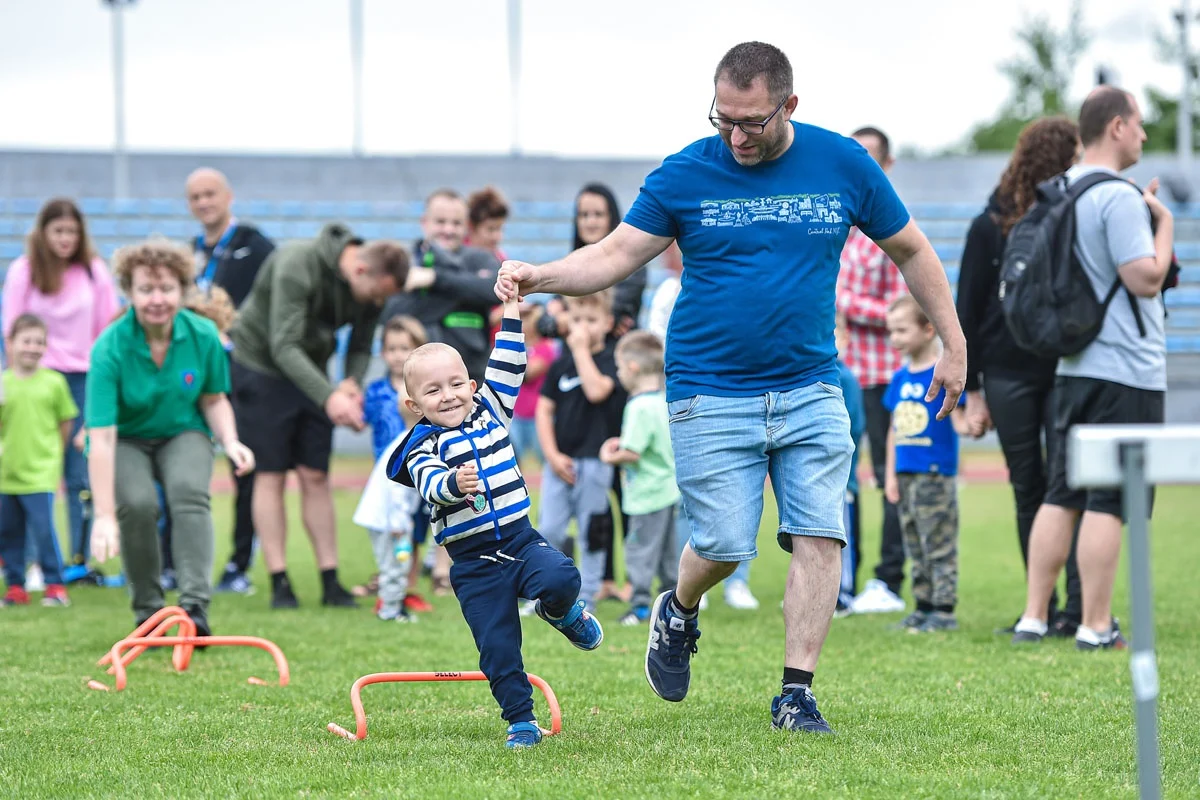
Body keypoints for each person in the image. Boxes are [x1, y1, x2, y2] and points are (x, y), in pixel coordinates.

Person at [495, 41, 965, 733]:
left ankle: (796, 692)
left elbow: (911, 250)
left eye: (753, 122)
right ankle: (678, 611)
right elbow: (616, 253)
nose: (737, 137)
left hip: (810, 383)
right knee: (721, 545)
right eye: (724, 120)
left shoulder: (843, 164)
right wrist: (542, 274)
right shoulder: (687, 171)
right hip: (710, 387)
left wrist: (953, 341)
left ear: (789, 106)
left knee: (820, 533)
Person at [386, 296, 603, 750]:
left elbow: (509, 359)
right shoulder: (424, 444)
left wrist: (511, 310)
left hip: (521, 541)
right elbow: (427, 482)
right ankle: (521, 720)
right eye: (432, 391)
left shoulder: (493, 407)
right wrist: (452, 482)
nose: (447, 396)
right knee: (498, 646)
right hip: (474, 563)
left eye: (455, 384)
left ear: (472, 382)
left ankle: (560, 611)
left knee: (563, 574)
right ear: (413, 403)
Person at [1013, 86, 1172, 650]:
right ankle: (1095, 624)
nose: (1146, 135)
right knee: (1109, 500)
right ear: (1118, 127)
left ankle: (1034, 616)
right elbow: (1144, 277)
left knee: (1062, 491)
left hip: (1073, 366)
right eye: (1140, 123)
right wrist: (1165, 220)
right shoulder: (1121, 197)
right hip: (1124, 369)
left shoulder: (1063, 189)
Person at [228, 223, 409, 610]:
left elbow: (361, 345)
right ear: (361, 270)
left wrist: (351, 386)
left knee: (315, 474)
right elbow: (283, 345)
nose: (379, 303)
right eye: (378, 294)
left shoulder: (370, 289)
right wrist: (330, 398)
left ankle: (330, 581)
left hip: (309, 370)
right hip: (260, 367)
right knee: (271, 474)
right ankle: (280, 582)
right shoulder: (297, 264)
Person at [955, 117, 1085, 635]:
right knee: (1042, 488)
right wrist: (973, 392)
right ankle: (1048, 608)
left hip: (1053, 371)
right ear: (1059, 159)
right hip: (1017, 372)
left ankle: (1073, 608)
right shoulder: (990, 223)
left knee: (1052, 487)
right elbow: (968, 308)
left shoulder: (1076, 217)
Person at [86, 240, 255, 633]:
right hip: (125, 437)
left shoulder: (202, 335)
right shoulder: (109, 347)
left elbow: (214, 399)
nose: (157, 299)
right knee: (139, 504)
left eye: (166, 289)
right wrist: (105, 516)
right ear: (129, 293)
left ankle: (195, 609)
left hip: (183, 431)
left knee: (187, 493)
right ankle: (148, 612)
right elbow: (103, 438)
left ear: (182, 290)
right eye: (146, 289)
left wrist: (230, 441)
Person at [1, 198, 120, 585]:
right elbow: (12, 327)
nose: (66, 239)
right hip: (38, 378)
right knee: (32, 472)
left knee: (80, 473)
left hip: (84, 379)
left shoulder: (93, 271)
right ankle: (28, 562)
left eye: (72, 231)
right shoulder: (25, 270)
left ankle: (77, 560)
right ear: (44, 233)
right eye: (58, 231)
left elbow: (107, 328)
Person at [645, 240, 759, 611]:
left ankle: (737, 581)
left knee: (742, 495)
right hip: (686, 399)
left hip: (734, 395)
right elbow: (656, 344)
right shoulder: (668, 291)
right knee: (690, 498)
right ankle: (693, 583)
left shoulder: (734, 281)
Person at [185, 167, 276, 595]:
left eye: (210, 194)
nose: (204, 202)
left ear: (228, 196)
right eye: (196, 197)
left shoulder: (255, 246)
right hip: (194, 373)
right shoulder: (190, 254)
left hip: (244, 374)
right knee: (183, 465)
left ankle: (239, 565)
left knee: (245, 469)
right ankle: (175, 564)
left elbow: (274, 304)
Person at [837, 126, 909, 617]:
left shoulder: (891, 227)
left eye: (870, 156)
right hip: (838, 371)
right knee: (841, 480)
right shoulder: (837, 222)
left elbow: (905, 308)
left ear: (886, 166)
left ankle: (888, 578)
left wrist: (843, 302)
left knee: (890, 478)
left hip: (883, 371)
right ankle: (844, 583)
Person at [534, 290, 626, 612]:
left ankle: (586, 596)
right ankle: (545, 594)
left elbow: (597, 390)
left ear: (608, 323)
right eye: (576, 320)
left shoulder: (613, 361)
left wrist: (581, 351)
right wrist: (551, 454)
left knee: (592, 531)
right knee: (549, 529)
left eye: (591, 320)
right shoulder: (559, 365)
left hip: (595, 462)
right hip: (561, 461)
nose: (582, 327)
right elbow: (544, 411)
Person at [882, 296, 968, 632]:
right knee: (914, 541)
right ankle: (923, 605)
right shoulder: (899, 379)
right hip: (905, 475)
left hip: (934, 474)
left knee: (939, 542)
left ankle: (943, 608)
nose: (895, 339)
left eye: (902, 330)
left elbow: (958, 420)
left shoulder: (943, 376)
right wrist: (890, 474)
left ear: (928, 329)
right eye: (892, 332)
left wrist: (971, 424)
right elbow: (893, 431)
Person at [600, 330, 680, 626]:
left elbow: (632, 452)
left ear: (632, 368)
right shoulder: (662, 401)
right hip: (667, 490)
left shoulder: (638, 405)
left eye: (620, 367)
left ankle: (641, 605)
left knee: (639, 550)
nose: (619, 374)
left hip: (646, 494)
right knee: (667, 553)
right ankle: (674, 604)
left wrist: (611, 454)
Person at [0, 314, 78, 608]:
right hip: (7, 474)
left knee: (44, 530)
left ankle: (55, 584)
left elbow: (65, 422)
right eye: (26, 341)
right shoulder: (3, 383)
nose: (33, 347)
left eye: (39, 342)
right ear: (10, 344)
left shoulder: (54, 382)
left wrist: (51, 454)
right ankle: (16, 587)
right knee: (8, 532)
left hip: (41, 473)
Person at [384, 189, 501, 382]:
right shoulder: (403, 263)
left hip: (472, 378)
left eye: (456, 223)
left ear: (466, 226)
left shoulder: (481, 258)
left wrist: (434, 279)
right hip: (415, 381)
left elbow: (493, 290)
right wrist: (467, 287)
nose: (448, 230)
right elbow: (391, 314)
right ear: (425, 223)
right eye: (440, 222)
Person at [362, 315, 434, 613]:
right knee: (393, 559)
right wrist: (398, 522)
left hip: (392, 511)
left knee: (406, 550)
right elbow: (396, 491)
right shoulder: (408, 448)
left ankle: (399, 597)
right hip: (387, 513)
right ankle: (390, 606)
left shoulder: (410, 442)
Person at [834, 312, 866, 615]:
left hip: (842, 477)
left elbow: (855, 426)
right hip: (819, 477)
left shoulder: (845, 378)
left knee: (842, 536)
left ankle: (843, 593)